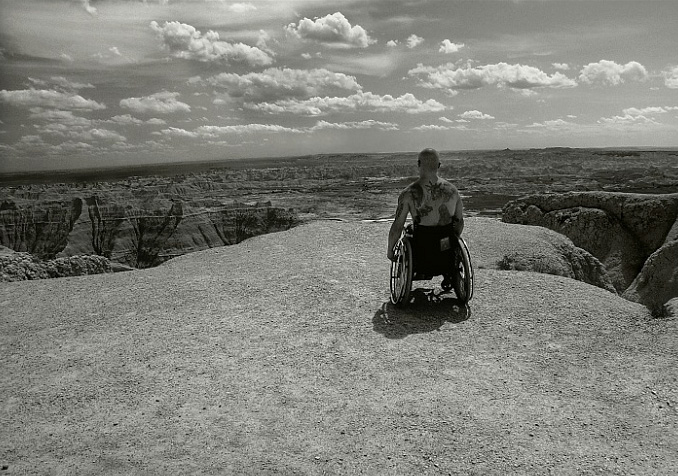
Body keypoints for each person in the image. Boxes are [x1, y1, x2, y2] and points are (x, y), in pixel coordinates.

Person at [387, 148, 464, 261]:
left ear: (418, 164)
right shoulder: (452, 191)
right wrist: (451, 239)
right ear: (439, 165)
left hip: (421, 251)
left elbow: (397, 226)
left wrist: (390, 251)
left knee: (409, 230)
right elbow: (459, 222)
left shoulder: (408, 193)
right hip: (446, 250)